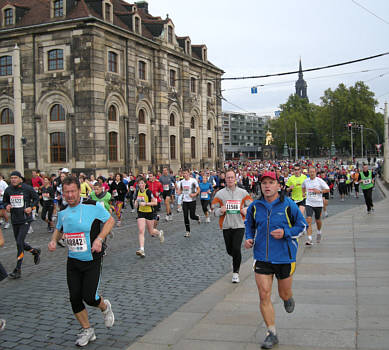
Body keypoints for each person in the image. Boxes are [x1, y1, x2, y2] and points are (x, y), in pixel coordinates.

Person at [48, 176, 115, 347]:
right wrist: (54, 240)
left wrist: (99, 238)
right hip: (73, 261)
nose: (69, 195)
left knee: (90, 297)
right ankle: (88, 330)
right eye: (66, 192)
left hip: (92, 258)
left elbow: (110, 220)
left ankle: (104, 307)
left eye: (72, 191)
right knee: (75, 298)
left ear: (79, 191)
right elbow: (58, 229)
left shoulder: (92, 206)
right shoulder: (63, 211)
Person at [244, 171, 307, 349]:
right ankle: (271, 333)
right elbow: (249, 224)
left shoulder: (288, 205)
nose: (267, 186)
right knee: (264, 295)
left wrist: (286, 233)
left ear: (279, 185)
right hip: (261, 257)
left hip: (284, 257)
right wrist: (249, 238)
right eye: (264, 183)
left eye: (271, 182)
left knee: (283, 293)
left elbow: (302, 226)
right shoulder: (255, 206)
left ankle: (288, 298)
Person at [212, 169, 252, 283]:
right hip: (226, 225)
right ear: (225, 179)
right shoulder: (220, 194)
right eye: (228, 177)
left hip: (239, 225)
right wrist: (220, 210)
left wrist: (246, 210)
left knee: (236, 248)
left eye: (232, 177)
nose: (230, 179)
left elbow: (252, 206)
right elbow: (213, 210)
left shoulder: (243, 193)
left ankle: (235, 273)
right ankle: (235, 259)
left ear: (235, 179)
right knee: (230, 250)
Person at [3, 171, 41, 279]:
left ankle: (18, 269)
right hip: (15, 220)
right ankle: (35, 251)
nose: (13, 180)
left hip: (25, 220)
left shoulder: (27, 188)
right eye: (12, 178)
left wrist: (31, 207)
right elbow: (5, 201)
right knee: (19, 242)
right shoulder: (8, 189)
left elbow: (36, 199)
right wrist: (7, 206)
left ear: (20, 178)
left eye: (15, 178)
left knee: (19, 242)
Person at [134, 177, 164, 257]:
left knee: (151, 231)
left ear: (145, 184)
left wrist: (146, 203)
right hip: (140, 213)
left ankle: (159, 233)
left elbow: (155, 202)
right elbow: (136, 202)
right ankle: (142, 249)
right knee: (141, 230)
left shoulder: (148, 192)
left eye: (142, 183)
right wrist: (136, 203)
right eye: (139, 183)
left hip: (149, 213)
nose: (140, 185)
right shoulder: (137, 191)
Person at [302, 167, 330, 245]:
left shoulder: (319, 181)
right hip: (309, 203)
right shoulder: (306, 181)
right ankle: (309, 239)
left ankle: (319, 231)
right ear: (308, 173)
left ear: (315, 172)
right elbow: (303, 187)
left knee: (318, 220)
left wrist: (320, 191)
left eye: (313, 172)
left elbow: (327, 189)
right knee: (309, 219)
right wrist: (303, 193)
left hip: (318, 203)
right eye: (310, 172)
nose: (312, 173)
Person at [176, 169, 200, 237]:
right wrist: (179, 193)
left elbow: (198, 189)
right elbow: (181, 190)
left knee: (192, 216)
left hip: (192, 201)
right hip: (185, 201)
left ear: (189, 173)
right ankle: (187, 231)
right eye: (183, 173)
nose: (185, 175)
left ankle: (197, 217)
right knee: (185, 216)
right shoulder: (182, 182)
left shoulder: (193, 181)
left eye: (186, 173)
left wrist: (194, 194)